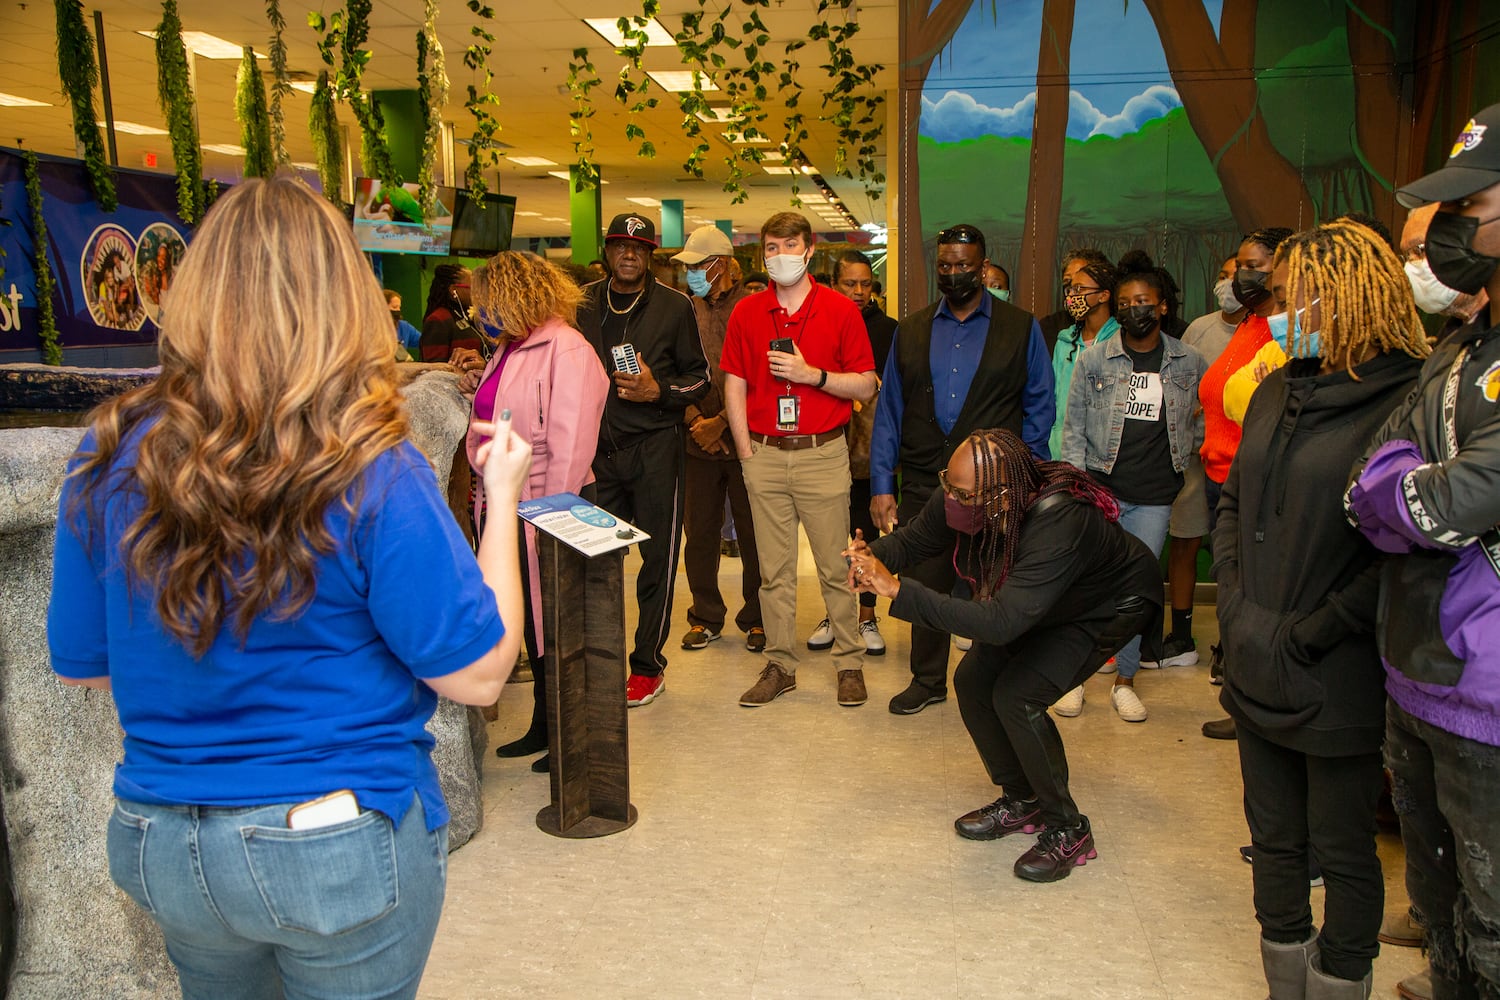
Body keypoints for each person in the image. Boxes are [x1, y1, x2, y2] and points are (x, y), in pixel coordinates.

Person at [45, 177, 531, 999]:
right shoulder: (371, 462)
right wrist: (506, 497)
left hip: (164, 841)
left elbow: (85, 667)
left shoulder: (107, 458)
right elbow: (479, 674)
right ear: (343, 299)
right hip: (332, 840)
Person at [1217, 221, 1427, 1000]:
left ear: (1341, 299)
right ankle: (1285, 983)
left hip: (1336, 663)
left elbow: (1397, 550)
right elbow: (1236, 497)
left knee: (1341, 848)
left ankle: (1340, 981)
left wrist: (1314, 629)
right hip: (1253, 649)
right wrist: (1235, 603)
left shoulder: (1409, 396)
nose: (1276, 312)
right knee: (1273, 839)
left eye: (1287, 298)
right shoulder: (1278, 385)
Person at [845, 429, 1161, 882]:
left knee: (1019, 694)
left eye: (962, 494)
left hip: (1107, 604)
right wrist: (868, 557)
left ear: (1003, 496)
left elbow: (1000, 623)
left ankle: (1068, 829)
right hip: (1044, 598)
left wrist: (895, 589)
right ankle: (1022, 799)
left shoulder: (1059, 520)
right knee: (972, 681)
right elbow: (915, 540)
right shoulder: (968, 492)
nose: (949, 498)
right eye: (947, 486)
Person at [1348, 104, 1500, 1000]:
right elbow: (1370, 481)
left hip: (1485, 691)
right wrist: (1404, 491)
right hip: (1416, 669)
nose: (1443, 239)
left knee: (1492, 910)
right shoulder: (1459, 347)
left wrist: (1405, 491)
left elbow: (1442, 498)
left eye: (1464, 210)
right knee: (1438, 897)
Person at [871, 224, 1056, 715]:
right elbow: (889, 409)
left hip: (995, 487)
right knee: (925, 578)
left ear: (984, 267)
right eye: (945, 266)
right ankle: (927, 680)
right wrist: (882, 483)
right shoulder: (910, 330)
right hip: (923, 479)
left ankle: (995, 679)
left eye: (964, 266)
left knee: (993, 584)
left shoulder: (1020, 327)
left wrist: (1023, 470)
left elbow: (1040, 403)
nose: (953, 275)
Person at [720, 211, 877, 708]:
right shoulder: (747, 312)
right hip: (764, 454)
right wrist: (745, 452)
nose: (780, 255)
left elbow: (867, 385)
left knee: (836, 566)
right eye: (771, 247)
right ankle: (781, 664)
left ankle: (849, 662)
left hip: (822, 452)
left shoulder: (840, 311)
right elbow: (735, 384)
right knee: (773, 571)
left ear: (809, 251)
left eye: (790, 246)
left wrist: (813, 376)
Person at [461, 252, 609, 774]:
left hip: (548, 505)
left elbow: (571, 445)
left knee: (559, 625)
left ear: (515, 295)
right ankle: (543, 724)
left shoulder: (567, 350)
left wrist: (551, 518)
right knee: (527, 621)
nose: (480, 312)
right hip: (504, 503)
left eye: (486, 302)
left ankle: (568, 728)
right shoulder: (509, 346)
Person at [1057, 253, 1206, 722]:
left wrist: (1181, 462)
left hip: (1156, 497)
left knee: (1136, 592)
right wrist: (1078, 484)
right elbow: (1074, 425)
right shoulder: (1096, 358)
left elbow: (1200, 424)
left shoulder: (1188, 361)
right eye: (1125, 302)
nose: (1133, 308)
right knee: (1087, 586)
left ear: (1161, 306)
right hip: (1100, 491)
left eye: (1143, 300)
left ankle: (1124, 681)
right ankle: (1075, 680)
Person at [576, 213, 710, 708]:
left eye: (639, 247)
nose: (629, 254)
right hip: (597, 453)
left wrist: (660, 390)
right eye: (619, 246)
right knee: (597, 563)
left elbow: (701, 380)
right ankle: (601, 661)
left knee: (658, 562)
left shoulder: (675, 307)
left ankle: (647, 666)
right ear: (608, 251)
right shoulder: (585, 303)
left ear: (650, 254)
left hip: (656, 451)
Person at [1198, 226, 1295, 741]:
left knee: (1251, 598)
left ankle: (1251, 703)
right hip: (1222, 476)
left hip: (1252, 477)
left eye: (1256, 266)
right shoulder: (1252, 323)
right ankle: (1240, 696)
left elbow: (1255, 401)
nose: (1242, 277)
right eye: (1238, 267)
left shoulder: (1279, 329)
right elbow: (1230, 393)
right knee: (1234, 594)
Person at [672, 225, 765, 654]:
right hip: (695, 440)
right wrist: (696, 421)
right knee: (702, 534)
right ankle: (705, 616)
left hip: (747, 440)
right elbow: (671, 369)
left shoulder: (755, 307)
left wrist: (723, 422)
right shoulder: (684, 309)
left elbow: (764, 375)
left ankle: (757, 617)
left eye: (696, 266)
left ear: (721, 265)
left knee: (753, 534)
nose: (690, 273)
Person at [1152, 254, 1243, 671]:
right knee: (1176, 546)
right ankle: (1177, 634)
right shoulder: (1200, 330)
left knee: (1230, 558)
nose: (1227, 284)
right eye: (1222, 275)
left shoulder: (1267, 330)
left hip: (1238, 465)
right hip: (1190, 458)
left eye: (1236, 276)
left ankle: (1233, 646)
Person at [822, 248, 897, 654]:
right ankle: (835, 614)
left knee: (865, 532)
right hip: (829, 445)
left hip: (871, 450)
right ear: (835, 284)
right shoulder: (824, 323)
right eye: (850, 283)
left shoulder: (889, 330)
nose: (859, 291)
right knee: (829, 533)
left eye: (866, 284)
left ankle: (867, 616)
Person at [1048, 249, 1120, 461]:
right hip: (1058, 453)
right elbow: (1053, 398)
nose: (1072, 295)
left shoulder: (1120, 341)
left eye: (1079, 288)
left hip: (1102, 457)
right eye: (1069, 289)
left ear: (1104, 295)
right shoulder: (1065, 341)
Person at [420, 263, 484, 362]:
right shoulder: (438, 319)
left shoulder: (464, 316)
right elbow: (434, 368)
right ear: (454, 290)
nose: (477, 292)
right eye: (472, 287)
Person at [385, 289, 421, 359]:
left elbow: (424, 341)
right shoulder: (373, 329)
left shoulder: (404, 327)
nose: (398, 310)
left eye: (399, 307)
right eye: (394, 307)